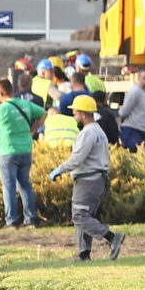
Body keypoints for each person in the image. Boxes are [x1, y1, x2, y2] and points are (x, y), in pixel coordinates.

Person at [50, 94, 124, 261]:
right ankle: (84, 254)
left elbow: (77, 158)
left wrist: (59, 170)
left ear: (83, 114)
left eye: (75, 113)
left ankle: (112, 237)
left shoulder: (88, 133)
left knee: (79, 216)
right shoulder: (98, 131)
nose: (74, 116)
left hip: (88, 180)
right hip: (96, 179)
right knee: (84, 216)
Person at [0, 78, 44, 227]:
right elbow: (43, 113)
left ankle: (11, 221)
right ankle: (30, 219)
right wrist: (35, 128)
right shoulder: (25, 104)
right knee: (25, 184)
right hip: (26, 149)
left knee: (9, 186)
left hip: (8, 151)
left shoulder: (1, 109)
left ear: (0, 92)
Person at [116, 67, 145, 153]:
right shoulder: (135, 91)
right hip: (132, 130)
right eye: (144, 78)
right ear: (138, 78)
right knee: (137, 157)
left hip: (143, 131)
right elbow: (124, 111)